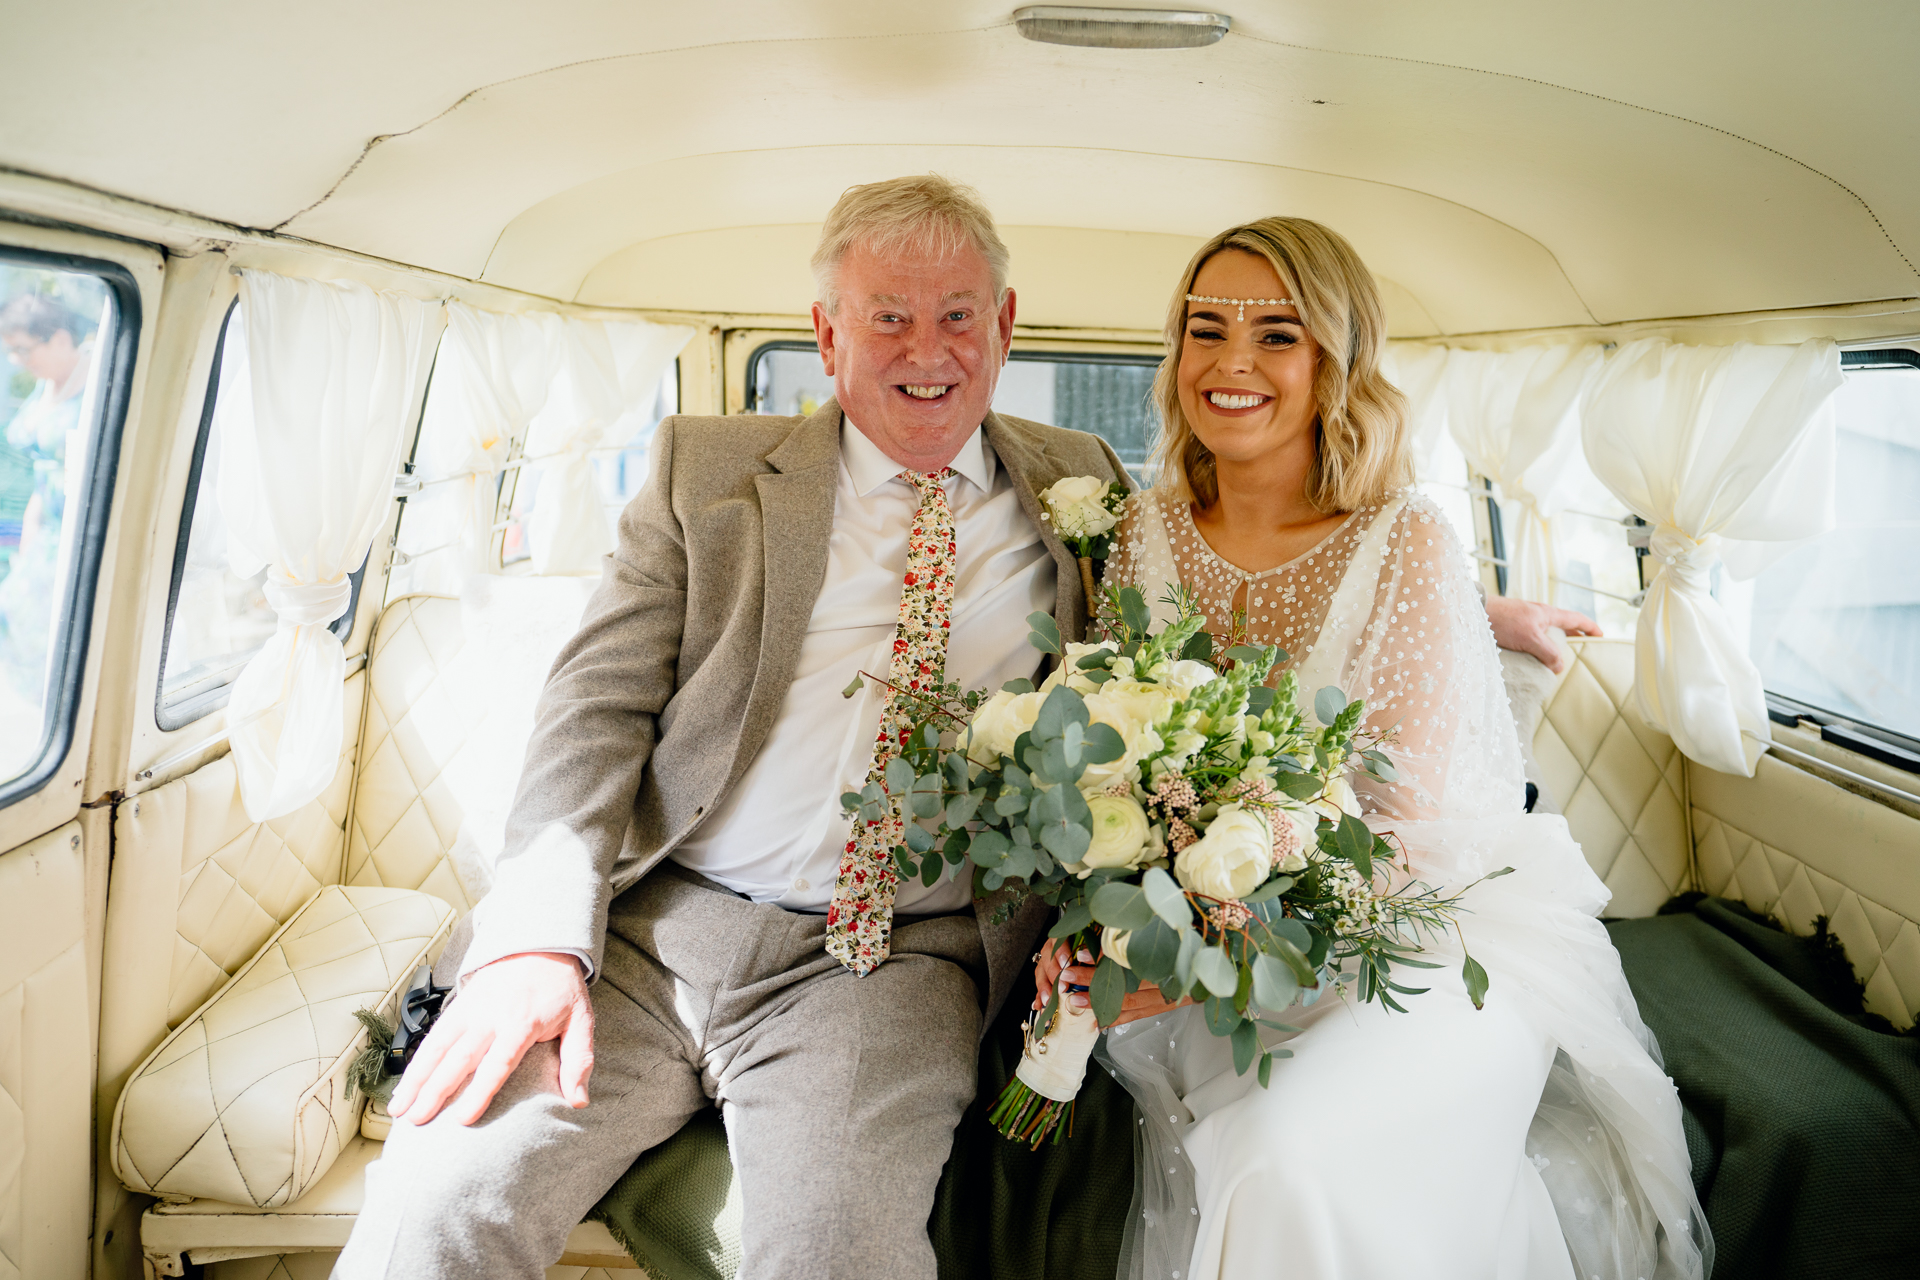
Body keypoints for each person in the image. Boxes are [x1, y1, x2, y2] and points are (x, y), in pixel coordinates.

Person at [335, 175, 1133, 1279]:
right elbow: (594, 705)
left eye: (958, 314)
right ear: (826, 332)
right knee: (438, 1197)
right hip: (655, 935)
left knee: (836, 1257)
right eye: (888, 316)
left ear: (1004, 325)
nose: (928, 349)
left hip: (890, 962)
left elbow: (1155, 689)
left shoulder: (1083, 484)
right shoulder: (702, 473)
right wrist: (531, 939)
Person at [1037, 218, 1707, 1280]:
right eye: (1205, 328)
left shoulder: (1409, 541)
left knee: (1284, 1159)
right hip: (1207, 958)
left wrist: (1218, 949)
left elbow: (1406, 841)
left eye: (1279, 334)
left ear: (1336, 362)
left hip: (1415, 945)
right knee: (1267, 1152)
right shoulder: (1138, 538)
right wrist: (1113, 932)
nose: (1233, 362)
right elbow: (1118, 772)